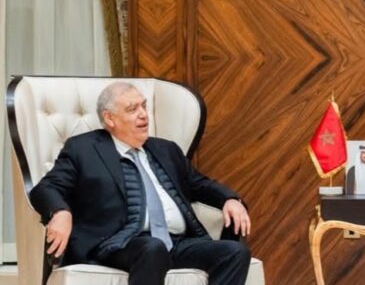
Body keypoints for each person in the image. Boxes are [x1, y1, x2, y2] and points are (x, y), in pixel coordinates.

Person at [29, 82, 252, 285]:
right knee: (152, 248)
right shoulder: (84, 149)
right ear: (109, 118)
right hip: (118, 243)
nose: (144, 115)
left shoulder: (166, 149)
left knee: (234, 252)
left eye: (144, 106)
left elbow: (199, 184)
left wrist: (229, 199)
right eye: (132, 109)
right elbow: (46, 188)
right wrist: (60, 212)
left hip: (178, 242)